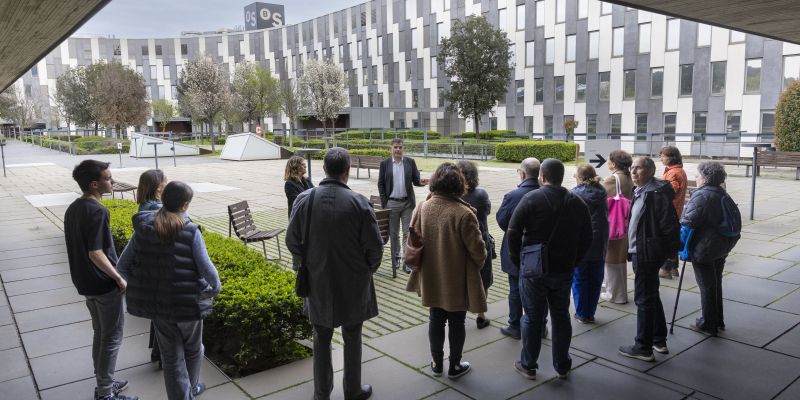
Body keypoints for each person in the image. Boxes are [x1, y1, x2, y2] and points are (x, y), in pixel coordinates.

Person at [286, 147, 383, 400]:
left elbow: (292, 240)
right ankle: (352, 390)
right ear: (347, 171)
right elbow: (375, 246)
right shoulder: (359, 202)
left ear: (324, 169)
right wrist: (366, 270)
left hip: (317, 280)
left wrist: (308, 262)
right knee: (352, 336)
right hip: (354, 282)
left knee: (321, 338)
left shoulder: (305, 199)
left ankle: (322, 394)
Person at [117, 181, 220, 400]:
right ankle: (191, 389)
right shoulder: (190, 230)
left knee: (171, 358)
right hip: (188, 305)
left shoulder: (144, 228)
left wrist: (139, 288)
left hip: (159, 307)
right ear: (184, 205)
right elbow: (207, 269)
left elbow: (122, 266)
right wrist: (214, 290)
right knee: (194, 349)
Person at [508, 159, 592, 380]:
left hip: (533, 270)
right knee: (561, 316)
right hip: (563, 270)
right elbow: (587, 237)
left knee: (532, 318)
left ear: (542, 177)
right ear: (561, 176)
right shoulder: (577, 202)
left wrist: (519, 261)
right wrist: (575, 260)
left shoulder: (531, 199)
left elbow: (513, 232)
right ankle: (562, 365)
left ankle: (528, 364)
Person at [64, 160, 138, 400]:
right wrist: (118, 277)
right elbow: (95, 252)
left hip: (85, 283)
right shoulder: (98, 211)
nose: (112, 181)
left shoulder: (74, 208)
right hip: (104, 285)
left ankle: (104, 382)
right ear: (94, 184)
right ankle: (105, 393)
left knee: (101, 333)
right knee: (112, 337)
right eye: (108, 178)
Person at [407, 162, 487, 379]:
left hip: (431, 275)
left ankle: (436, 363)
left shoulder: (423, 207)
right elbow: (478, 251)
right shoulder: (464, 213)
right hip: (457, 277)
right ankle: (454, 366)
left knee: (435, 318)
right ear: (459, 185)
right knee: (457, 321)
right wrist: (477, 265)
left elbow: (412, 238)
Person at [618, 157, 680, 362]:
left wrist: (671, 254)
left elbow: (669, 224)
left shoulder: (655, 193)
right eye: (631, 168)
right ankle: (658, 339)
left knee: (643, 298)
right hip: (643, 250)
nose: (633, 172)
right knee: (651, 294)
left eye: (639, 168)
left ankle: (643, 347)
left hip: (647, 252)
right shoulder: (643, 190)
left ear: (651, 171)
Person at [680, 162, 739, 335]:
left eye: (698, 175)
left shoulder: (702, 196)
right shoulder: (722, 193)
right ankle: (717, 319)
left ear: (705, 178)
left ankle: (708, 324)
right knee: (715, 283)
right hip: (722, 245)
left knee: (706, 285)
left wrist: (678, 246)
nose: (696, 178)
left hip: (705, 248)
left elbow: (688, 223)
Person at [495, 158, 540, 340]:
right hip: (540, 251)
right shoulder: (547, 192)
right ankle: (540, 325)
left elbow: (501, 221)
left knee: (515, 288)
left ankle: (515, 325)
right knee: (538, 291)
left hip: (517, 249)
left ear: (522, 174)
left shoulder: (513, 195)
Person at [377, 138, 429, 274]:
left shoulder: (410, 162)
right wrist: (385, 203)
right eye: (395, 147)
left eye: (400, 147)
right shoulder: (385, 164)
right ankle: (396, 258)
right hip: (391, 203)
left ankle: (407, 261)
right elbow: (380, 184)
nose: (398, 150)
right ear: (391, 148)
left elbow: (416, 180)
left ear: (403, 148)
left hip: (407, 203)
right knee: (394, 234)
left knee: (407, 232)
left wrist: (423, 182)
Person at [135, 168, 167, 367]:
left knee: (158, 315)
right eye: (165, 181)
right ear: (158, 186)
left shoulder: (143, 206)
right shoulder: (158, 208)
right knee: (165, 317)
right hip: (161, 269)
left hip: (149, 267)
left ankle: (157, 351)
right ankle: (163, 354)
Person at [571, 165, 609, 324]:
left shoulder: (574, 194)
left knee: (579, 278)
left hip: (581, 241)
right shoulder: (602, 192)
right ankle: (590, 313)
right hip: (600, 242)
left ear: (579, 177)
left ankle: (581, 313)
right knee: (595, 278)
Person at [457, 160, 493, 329]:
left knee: (463, 279)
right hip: (481, 241)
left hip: (461, 244)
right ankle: (481, 315)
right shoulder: (481, 194)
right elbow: (488, 211)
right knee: (483, 279)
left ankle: (460, 312)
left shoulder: (454, 196)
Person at [601, 150, 634, 304]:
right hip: (624, 222)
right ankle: (617, 292)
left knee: (611, 259)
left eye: (609, 160)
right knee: (619, 259)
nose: (607, 162)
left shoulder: (613, 179)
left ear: (614, 163)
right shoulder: (627, 177)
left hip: (613, 223)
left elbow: (600, 196)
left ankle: (615, 295)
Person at [658, 146, 688, 279]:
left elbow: (670, 191)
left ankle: (665, 269)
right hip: (676, 210)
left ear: (671, 158)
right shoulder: (677, 170)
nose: (661, 158)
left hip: (669, 210)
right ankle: (674, 268)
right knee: (672, 237)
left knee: (664, 239)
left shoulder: (673, 173)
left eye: (663, 156)